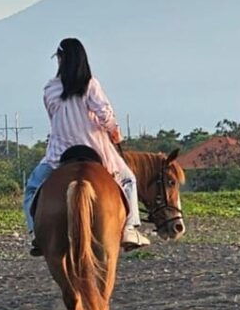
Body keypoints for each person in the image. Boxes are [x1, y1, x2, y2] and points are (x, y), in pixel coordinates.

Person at [23, 37, 150, 254]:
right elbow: (105, 114)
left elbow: (53, 117)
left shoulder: (50, 89)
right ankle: (129, 228)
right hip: (95, 149)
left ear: (61, 60)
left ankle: (36, 232)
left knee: (33, 187)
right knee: (128, 179)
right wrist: (114, 131)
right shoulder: (90, 84)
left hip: (59, 153)